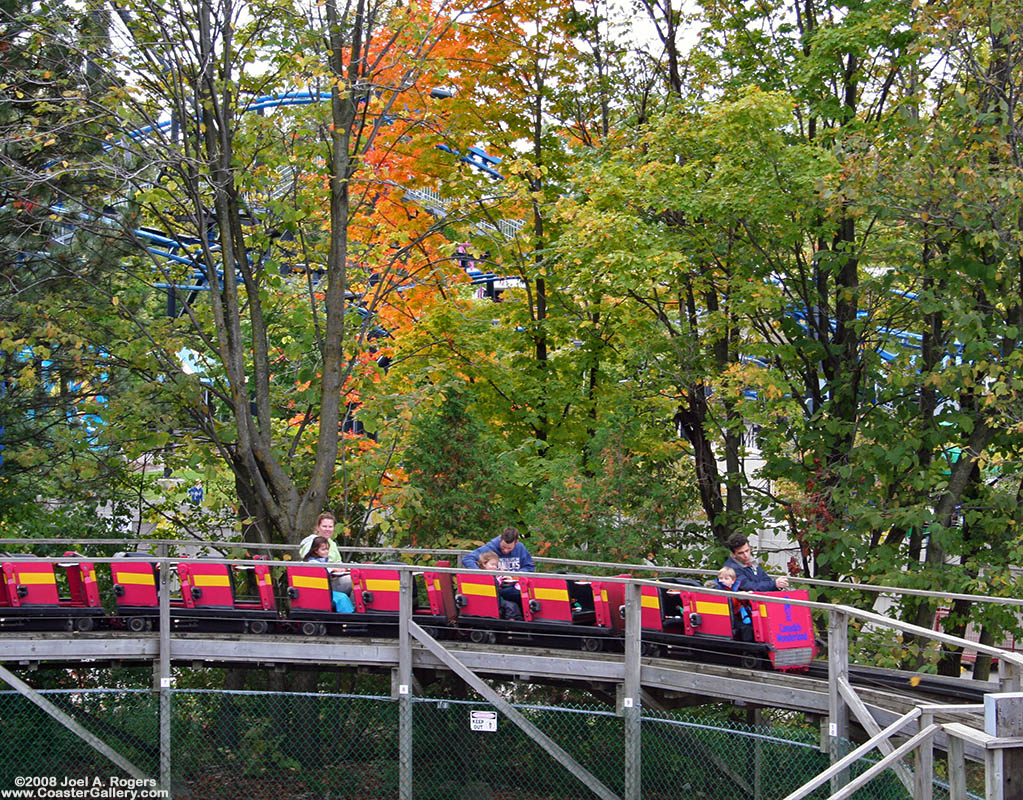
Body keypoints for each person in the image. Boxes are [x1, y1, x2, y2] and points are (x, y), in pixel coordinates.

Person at [298, 513, 353, 595]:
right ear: (318, 527)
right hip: (320, 582)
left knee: (360, 579)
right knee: (355, 582)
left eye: (330, 527)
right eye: (324, 526)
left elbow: (338, 562)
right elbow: (310, 562)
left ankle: (354, 606)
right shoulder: (311, 542)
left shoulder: (332, 544)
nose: (327, 529)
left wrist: (342, 568)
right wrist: (332, 569)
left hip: (335, 578)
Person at [304, 535, 354, 613]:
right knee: (342, 597)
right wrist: (333, 570)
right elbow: (323, 571)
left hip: (325, 587)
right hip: (319, 590)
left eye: (327, 549)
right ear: (316, 551)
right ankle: (350, 616)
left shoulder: (323, 560)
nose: (326, 551)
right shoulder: (312, 562)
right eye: (323, 549)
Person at [723, 533, 789, 592]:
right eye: (741, 553)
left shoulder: (752, 562)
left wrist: (777, 585)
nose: (746, 555)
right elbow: (748, 586)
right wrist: (774, 584)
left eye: (747, 550)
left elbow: (765, 579)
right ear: (733, 554)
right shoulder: (730, 569)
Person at [461, 526, 535, 573]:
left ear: (516, 543)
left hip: (515, 585)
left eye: (509, 548)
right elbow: (468, 559)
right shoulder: (490, 547)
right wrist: (480, 574)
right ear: (500, 539)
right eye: (503, 547)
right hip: (495, 586)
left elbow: (529, 566)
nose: (505, 550)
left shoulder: (520, 548)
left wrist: (521, 572)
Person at [477, 551, 523, 621]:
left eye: (496, 565)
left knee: (514, 597)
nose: (494, 567)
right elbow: (492, 584)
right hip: (490, 599)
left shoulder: (495, 574)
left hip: (497, 596)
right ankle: (512, 621)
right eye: (492, 565)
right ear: (484, 564)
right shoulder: (483, 575)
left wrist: (505, 578)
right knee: (511, 606)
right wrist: (500, 579)